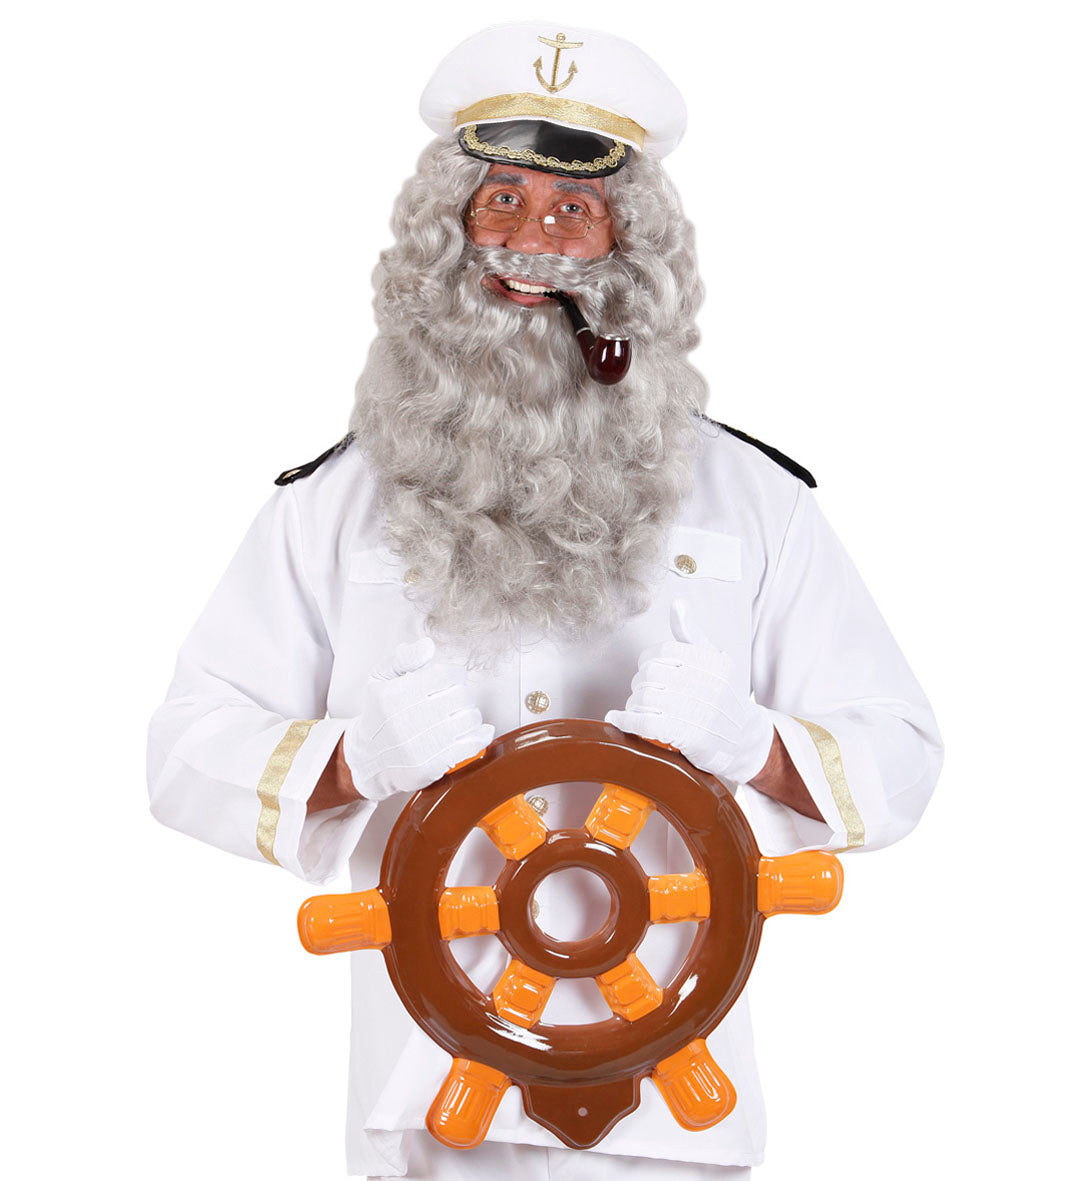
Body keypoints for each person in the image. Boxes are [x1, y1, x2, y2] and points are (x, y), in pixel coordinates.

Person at [147, 21, 943, 1181]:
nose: (529, 243)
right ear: (443, 233)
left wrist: (754, 745)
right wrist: (350, 759)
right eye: (499, 202)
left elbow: (902, 753)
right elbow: (183, 750)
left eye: (573, 208)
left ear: (630, 245)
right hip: (426, 1110)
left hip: (674, 1115)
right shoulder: (329, 505)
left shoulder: (753, 499)